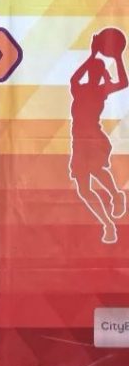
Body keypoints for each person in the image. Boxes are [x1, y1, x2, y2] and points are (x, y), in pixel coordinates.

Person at [68, 27, 127, 244]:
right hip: (78, 141)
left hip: (93, 138)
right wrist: (92, 56)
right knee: (84, 189)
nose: (92, 72)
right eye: (91, 70)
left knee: (95, 169)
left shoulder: (101, 90)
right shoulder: (79, 88)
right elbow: (74, 78)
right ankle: (108, 224)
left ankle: (116, 195)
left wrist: (117, 57)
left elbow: (124, 82)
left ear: (100, 75)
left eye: (96, 71)